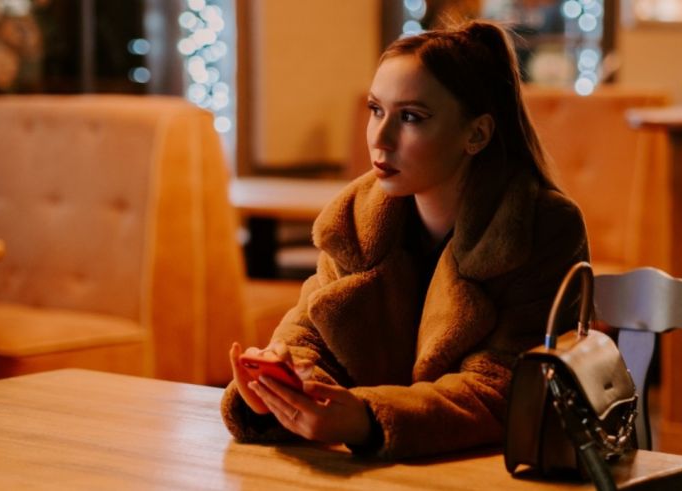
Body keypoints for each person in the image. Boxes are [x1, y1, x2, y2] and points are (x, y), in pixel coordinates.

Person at [221, 20, 589, 459]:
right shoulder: (354, 222)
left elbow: (502, 392)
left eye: (411, 117)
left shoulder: (539, 226)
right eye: (376, 110)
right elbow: (310, 337)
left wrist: (366, 418)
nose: (381, 137)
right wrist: (282, 383)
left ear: (477, 134)